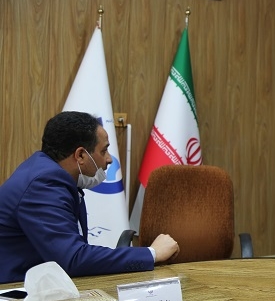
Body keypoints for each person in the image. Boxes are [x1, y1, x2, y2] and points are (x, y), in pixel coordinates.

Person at [0, 111, 180, 284]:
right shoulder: (44, 185)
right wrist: (152, 253)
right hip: (14, 292)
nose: (109, 159)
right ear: (80, 155)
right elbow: (73, 258)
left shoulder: (49, 173)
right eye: (104, 151)